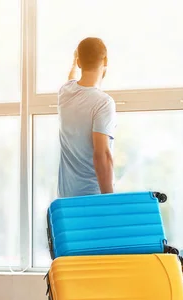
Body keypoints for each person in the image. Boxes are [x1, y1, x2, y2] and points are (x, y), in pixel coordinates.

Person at [57, 37, 117, 198]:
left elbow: (71, 78)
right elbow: (101, 154)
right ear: (105, 60)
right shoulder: (103, 103)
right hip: (92, 198)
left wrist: (74, 62)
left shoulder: (65, 92)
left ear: (78, 62)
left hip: (66, 198)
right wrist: (109, 201)